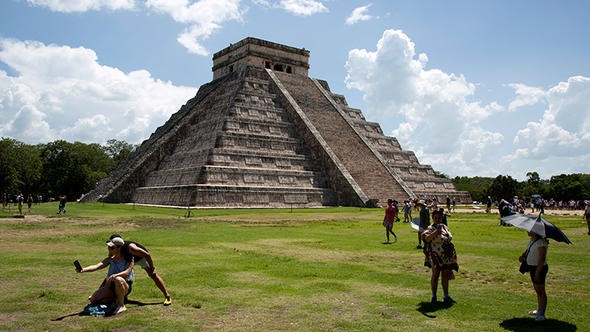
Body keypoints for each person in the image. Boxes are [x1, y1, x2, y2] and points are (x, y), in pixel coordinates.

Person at [108, 234, 172, 305]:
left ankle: (167, 296)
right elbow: (111, 255)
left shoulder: (131, 248)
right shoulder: (115, 248)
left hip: (140, 258)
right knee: (119, 274)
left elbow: (147, 255)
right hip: (129, 259)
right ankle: (122, 296)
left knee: (153, 275)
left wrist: (152, 267)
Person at [77, 237, 134, 315]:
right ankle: (113, 300)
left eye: (112, 247)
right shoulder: (110, 259)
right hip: (110, 286)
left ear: (119, 248)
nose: (109, 249)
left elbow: (127, 272)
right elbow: (97, 266)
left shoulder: (129, 259)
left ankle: (121, 305)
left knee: (118, 279)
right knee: (93, 299)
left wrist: (114, 276)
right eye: (109, 247)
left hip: (124, 285)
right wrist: (83, 269)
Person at [422, 209, 458, 305]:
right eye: (436, 218)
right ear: (432, 218)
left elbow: (449, 237)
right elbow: (426, 238)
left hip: (445, 255)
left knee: (445, 275)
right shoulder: (430, 228)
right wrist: (435, 233)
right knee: (435, 275)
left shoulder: (444, 227)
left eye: (439, 218)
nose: (437, 219)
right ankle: (434, 296)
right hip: (435, 256)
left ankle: (446, 295)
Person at [519, 231, 549, 322]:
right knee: (537, 290)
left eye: (530, 230)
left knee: (541, 291)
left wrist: (537, 272)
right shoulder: (532, 240)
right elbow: (528, 251)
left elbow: (542, 258)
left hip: (539, 268)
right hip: (532, 267)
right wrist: (523, 256)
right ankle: (539, 309)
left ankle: (541, 313)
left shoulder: (541, 242)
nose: (528, 231)